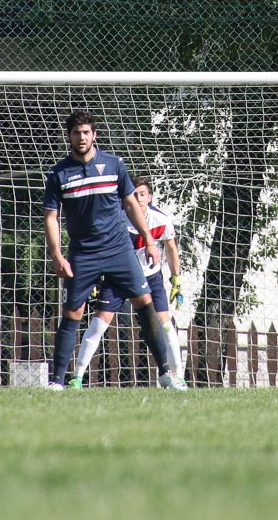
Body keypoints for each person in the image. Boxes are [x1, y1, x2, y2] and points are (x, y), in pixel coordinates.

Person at [43, 110, 186, 390]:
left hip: (119, 250)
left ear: (94, 135)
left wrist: (149, 240)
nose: (82, 137)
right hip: (83, 253)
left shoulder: (114, 164)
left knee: (145, 303)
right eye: (76, 133)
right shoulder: (58, 174)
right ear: (69, 136)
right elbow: (51, 217)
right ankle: (57, 381)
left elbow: (131, 204)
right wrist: (56, 255)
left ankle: (165, 373)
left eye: (86, 132)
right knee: (73, 313)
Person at [68, 175, 185, 388]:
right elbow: (99, 246)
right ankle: (77, 377)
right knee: (99, 324)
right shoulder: (117, 219)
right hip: (119, 276)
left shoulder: (161, 220)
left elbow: (170, 249)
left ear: (149, 197)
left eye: (142, 194)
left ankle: (178, 378)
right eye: (134, 194)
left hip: (151, 278)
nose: (138, 199)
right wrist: (93, 278)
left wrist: (176, 279)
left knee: (165, 325)